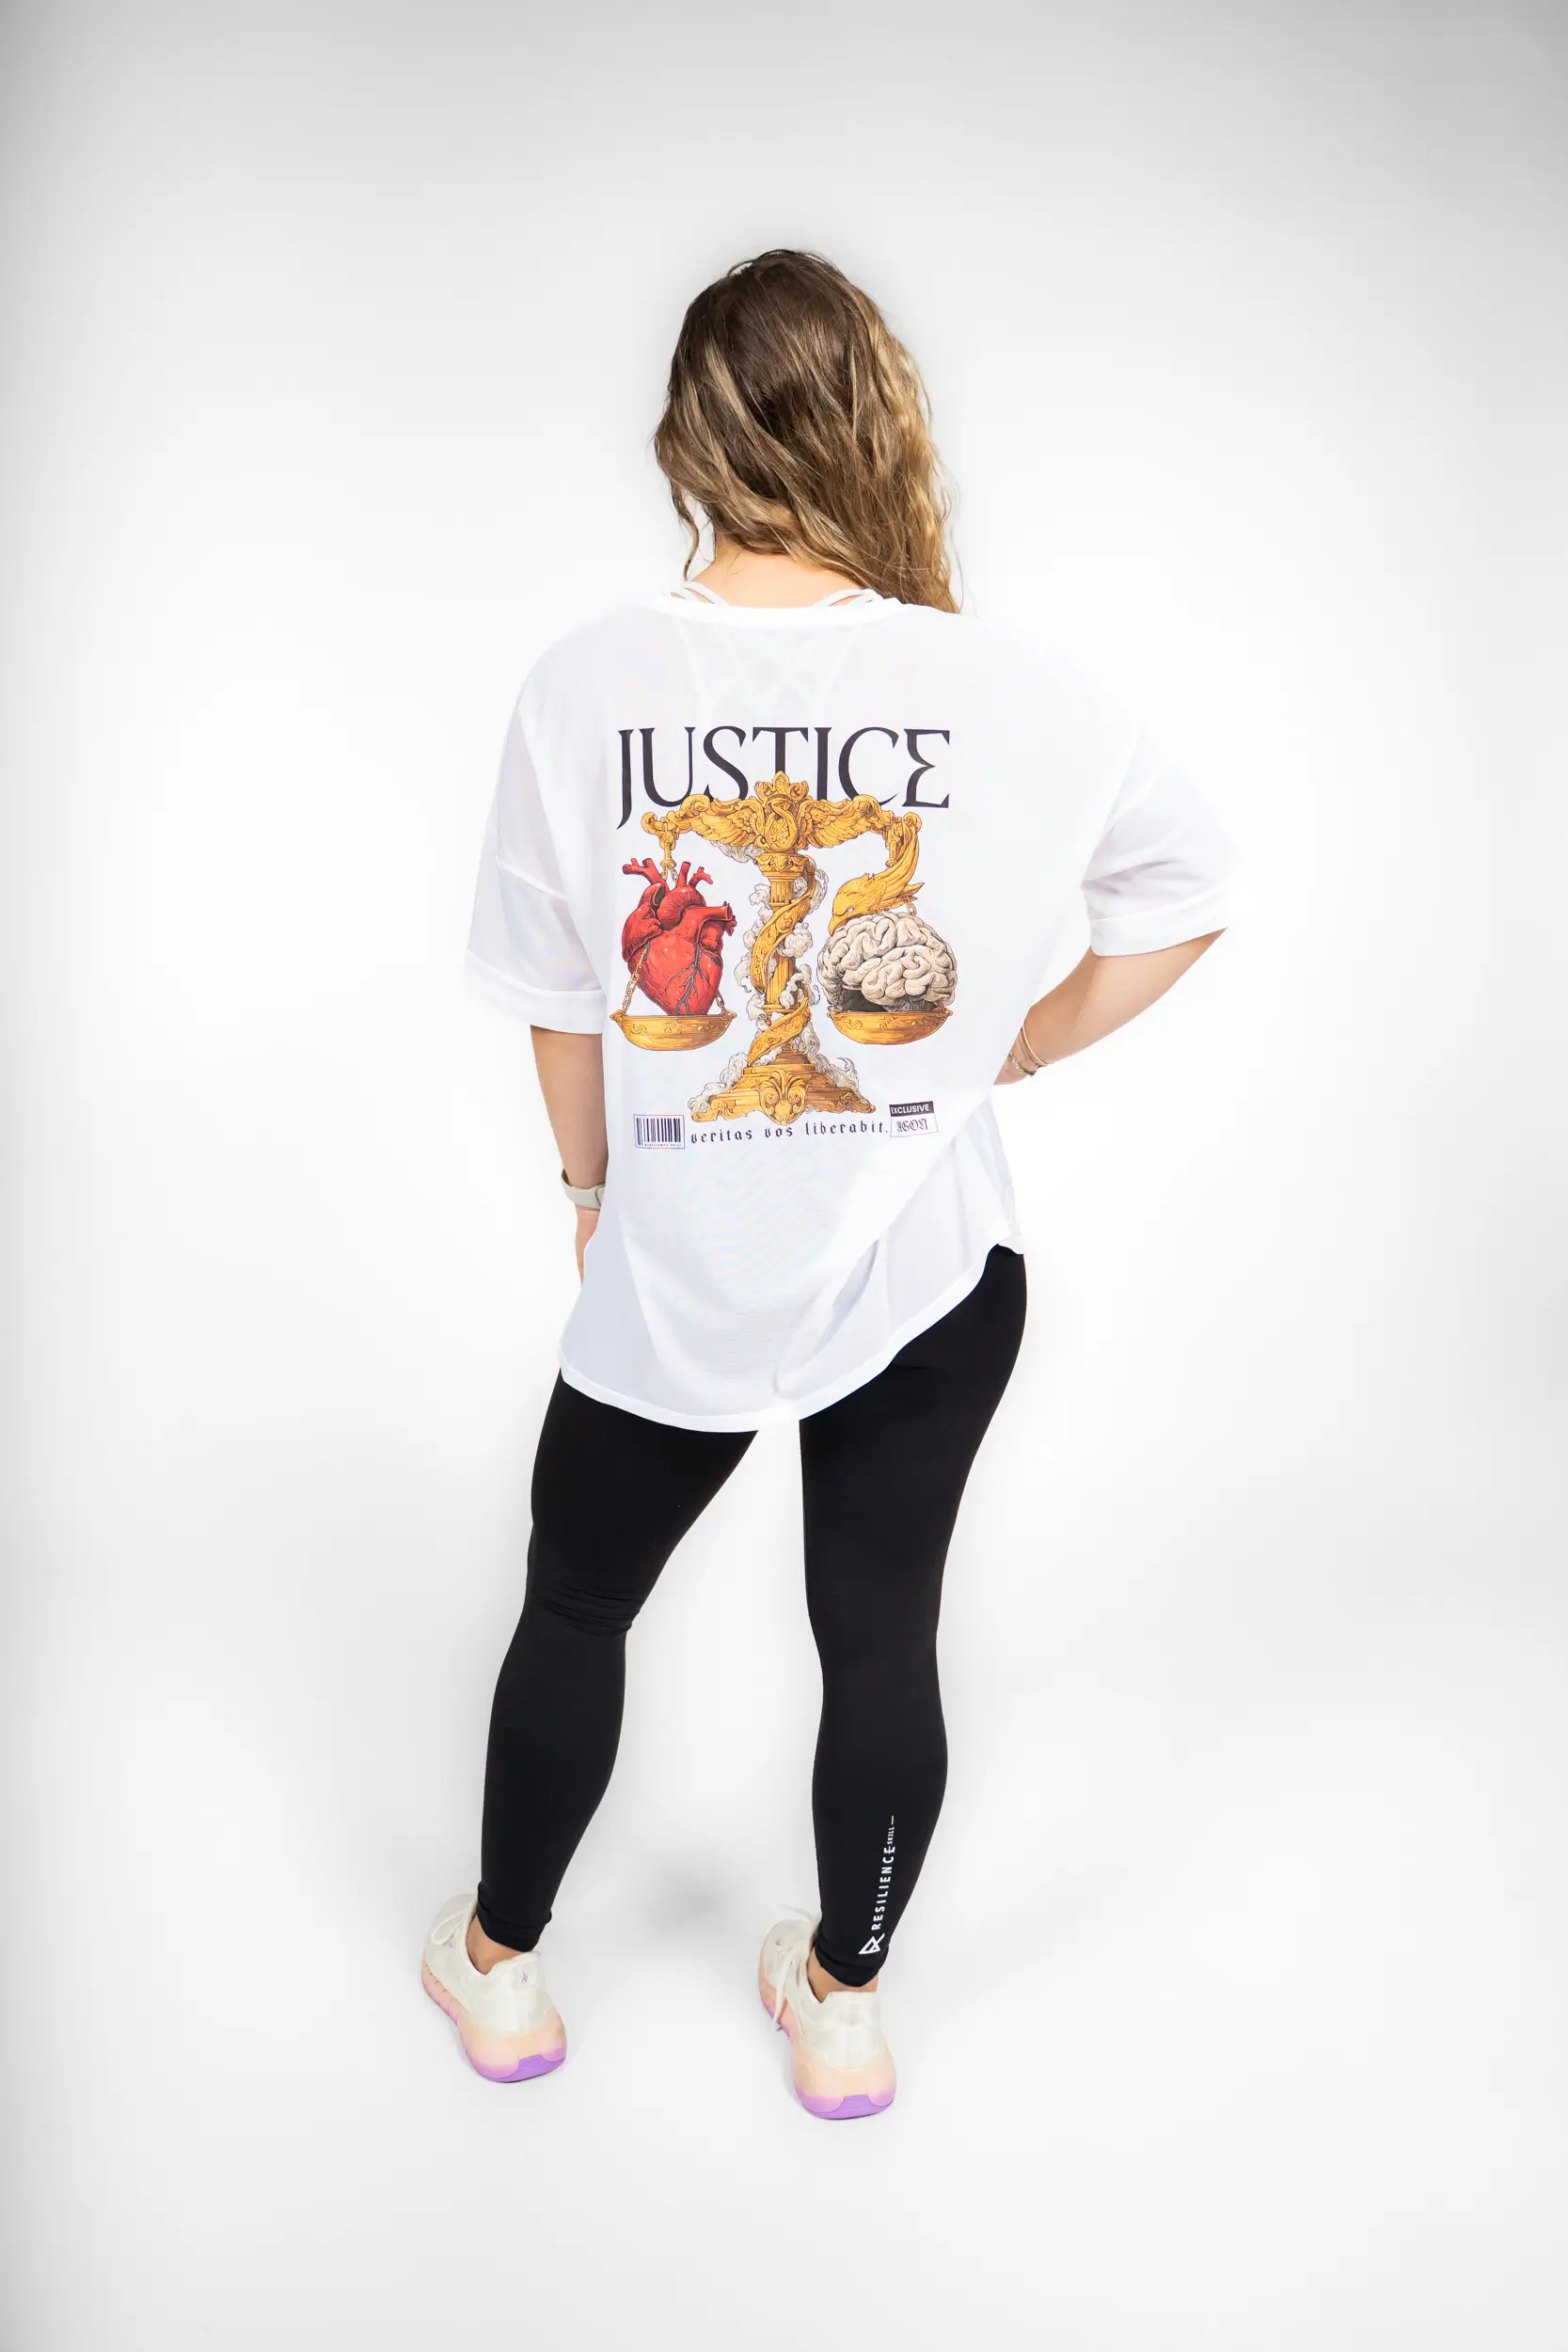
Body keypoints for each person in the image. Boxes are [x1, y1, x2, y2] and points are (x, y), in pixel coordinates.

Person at [422, 249, 1243, 2119]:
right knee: (879, 1630)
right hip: (925, 1260)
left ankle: (499, 1971)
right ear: (874, 421)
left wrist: (589, 1190)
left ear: (685, 439)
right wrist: (1019, 1044)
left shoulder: (584, 681)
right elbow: (1188, 887)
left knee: (575, 1604)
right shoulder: (996, 680)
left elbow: (557, 999)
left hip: (686, 1251)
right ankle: (843, 2005)